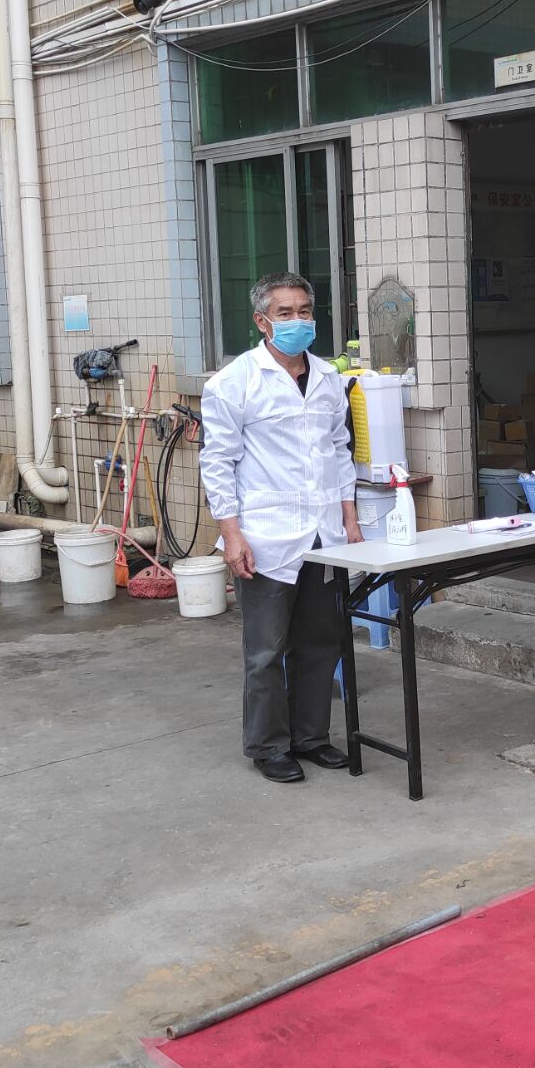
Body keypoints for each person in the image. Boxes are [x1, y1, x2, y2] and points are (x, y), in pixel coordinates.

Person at [197, 273, 363, 783]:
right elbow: (218, 462)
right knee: (266, 650)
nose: (298, 321)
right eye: (285, 313)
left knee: (321, 642)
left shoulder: (328, 378)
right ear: (261, 321)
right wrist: (232, 534)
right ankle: (269, 746)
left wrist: (350, 517)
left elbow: (340, 450)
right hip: (266, 534)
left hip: (324, 532)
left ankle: (311, 736)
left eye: (304, 311)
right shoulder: (234, 382)